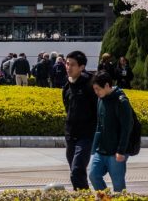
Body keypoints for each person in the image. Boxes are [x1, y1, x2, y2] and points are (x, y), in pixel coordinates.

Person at [88, 71, 133, 192]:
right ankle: (106, 198)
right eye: (94, 89)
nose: (96, 92)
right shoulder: (100, 99)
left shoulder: (121, 101)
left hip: (116, 152)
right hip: (101, 150)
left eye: (98, 89)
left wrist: (121, 150)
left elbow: (127, 128)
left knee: (118, 186)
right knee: (93, 175)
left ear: (107, 86)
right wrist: (94, 146)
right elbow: (99, 124)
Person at [62, 50, 97, 190]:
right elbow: (68, 108)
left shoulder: (90, 85)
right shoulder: (67, 86)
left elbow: (98, 110)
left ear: (82, 67)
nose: (68, 67)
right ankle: (83, 196)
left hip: (86, 136)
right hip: (70, 135)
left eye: (72, 65)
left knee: (76, 171)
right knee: (77, 173)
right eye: (67, 63)